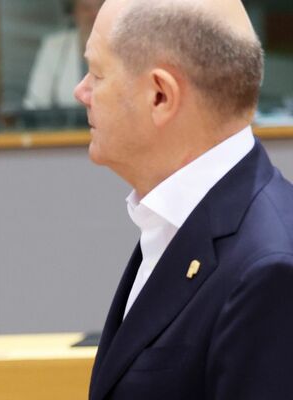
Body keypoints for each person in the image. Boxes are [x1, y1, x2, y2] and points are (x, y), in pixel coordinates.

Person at [74, 0, 293, 398]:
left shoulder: (270, 271)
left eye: (96, 73)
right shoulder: (179, 222)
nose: (81, 91)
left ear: (160, 95)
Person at [23, 0, 103, 110]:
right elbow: (35, 104)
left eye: (100, 7)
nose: (94, 14)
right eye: (86, 9)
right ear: (74, 13)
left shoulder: (119, 46)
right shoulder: (53, 46)